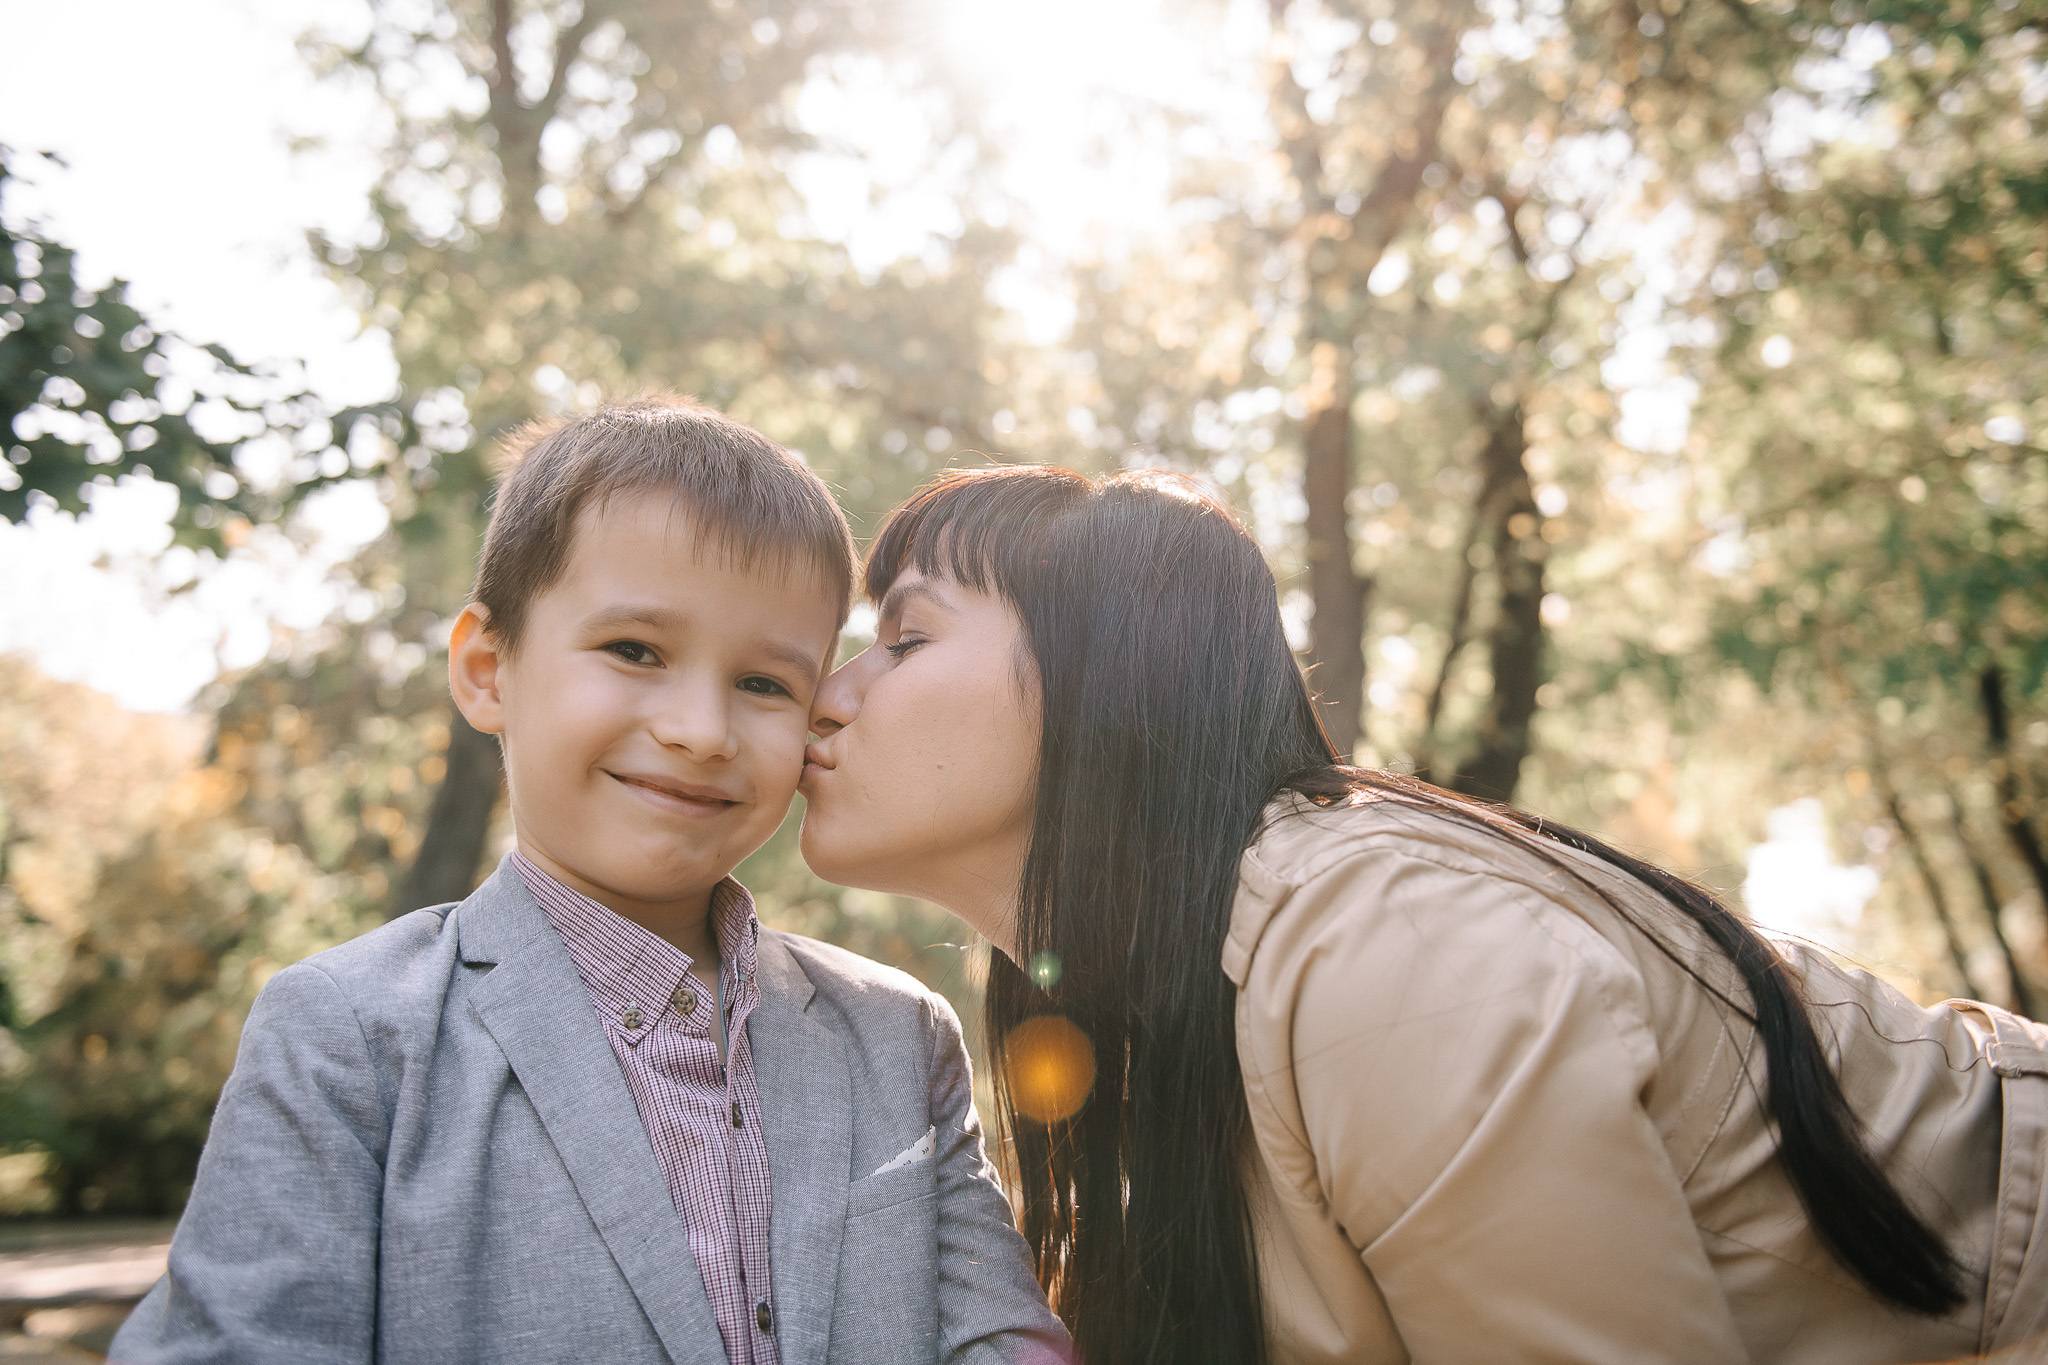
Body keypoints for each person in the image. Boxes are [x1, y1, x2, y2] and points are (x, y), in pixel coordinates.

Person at [798, 462, 2048, 1365]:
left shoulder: (1379, 952)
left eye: (902, 637)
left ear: (1101, 685)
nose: (824, 692)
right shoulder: (1144, 1024)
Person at [113, 397, 1067, 1365]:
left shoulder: (897, 1036)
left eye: (764, 684)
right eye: (634, 652)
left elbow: (1001, 1340)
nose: (699, 728)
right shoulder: (349, 1038)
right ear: (488, 669)